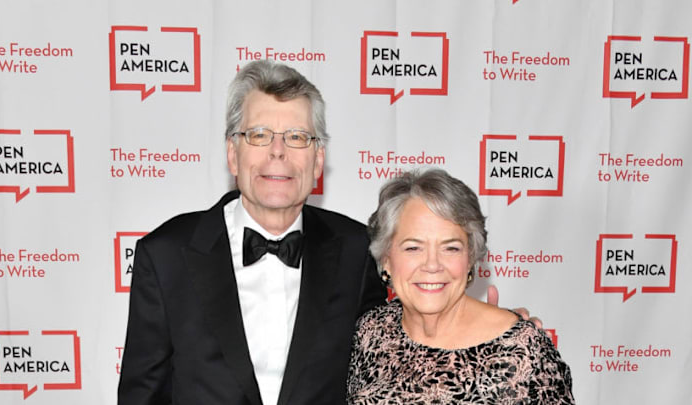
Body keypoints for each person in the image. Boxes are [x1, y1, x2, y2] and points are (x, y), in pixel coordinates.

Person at [118, 60, 540, 405]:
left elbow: (402, 337)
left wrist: (493, 333)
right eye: (260, 134)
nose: (278, 151)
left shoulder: (359, 249)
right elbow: (142, 396)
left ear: (318, 161)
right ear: (233, 152)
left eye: (298, 137)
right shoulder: (167, 253)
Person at [347, 169, 574, 404]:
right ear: (386, 259)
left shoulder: (522, 351)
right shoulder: (371, 331)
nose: (432, 265)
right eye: (413, 247)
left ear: (471, 258)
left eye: (451, 248)